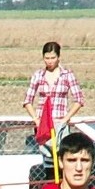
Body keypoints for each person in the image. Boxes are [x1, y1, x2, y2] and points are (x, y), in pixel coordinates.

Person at [22, 41, 85, 177]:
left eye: (53, 58)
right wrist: (36, 119)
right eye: (47, 58)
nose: (50, 61)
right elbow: (27, 100)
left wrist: (65, 119)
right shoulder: (38, 75)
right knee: (48, 161)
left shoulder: (67, 75)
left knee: (63, 158)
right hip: (43, 124)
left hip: (60, 123)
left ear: (58, 57)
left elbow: (79, 99)